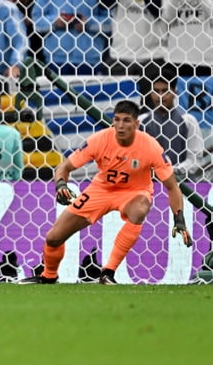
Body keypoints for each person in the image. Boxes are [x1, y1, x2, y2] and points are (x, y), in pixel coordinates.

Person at [19, 100, 193, 285]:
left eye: (126, 120)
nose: (120, 125)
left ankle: (108, 272)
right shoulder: (99, 140)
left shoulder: (151, 147)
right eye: (116, 120)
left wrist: (179, 219)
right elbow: (65, 166)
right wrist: (61, 185)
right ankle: (48, 276)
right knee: (54, 238)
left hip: (134, 193)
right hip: (100, 191)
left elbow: (172, 186)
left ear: (137, 124)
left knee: (140, 209)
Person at [138, 70, 203, 181]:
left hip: (182, 186)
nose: (160, 96)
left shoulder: (188, 121)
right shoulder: (141, 121)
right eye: (156, 91)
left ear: (175, 92)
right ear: (150, 93)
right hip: (150, 186)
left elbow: (194, 159)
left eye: (165, 91)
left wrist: (173, 170)